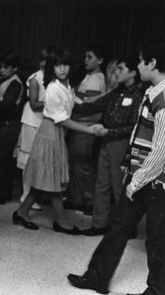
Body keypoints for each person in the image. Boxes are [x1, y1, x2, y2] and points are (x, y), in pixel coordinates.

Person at [68, 40, 165, 295]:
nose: (137, 66)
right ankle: (97, 277)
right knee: (118, 225)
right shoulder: (151, 91)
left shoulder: (164, 96)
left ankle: (157, 290)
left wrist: (137, 180)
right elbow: (139, 136)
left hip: (155, 182)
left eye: (142, 60)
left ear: (153, 63)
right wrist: (130, 168)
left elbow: (162, 150)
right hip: (141, 177)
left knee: (157, 240)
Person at [13, 48, 103, 235]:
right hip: (50, 133)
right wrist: (89, 129)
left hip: (56, 134)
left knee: (46, 178)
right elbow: (61, 119)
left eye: (66, 64)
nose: (62, 69)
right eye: (58, 65)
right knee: (51, 179)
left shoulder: (67, 86)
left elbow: (79, 103)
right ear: (52, 67)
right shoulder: (53, 87)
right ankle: (61, 221)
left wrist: (106, 96)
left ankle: (21, 212)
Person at [73, 55, 143, 236]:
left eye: (121, 69)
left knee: (119, 185)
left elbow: (134, 126)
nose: (116, 72)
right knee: (102, 183)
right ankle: (100, 223)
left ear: (133, 73)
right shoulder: (117, 91)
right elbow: (95, 106)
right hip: (106, 140)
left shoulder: (138, 95)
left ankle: (126, 227)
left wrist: (109, 132)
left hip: (121, 142)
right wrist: (68, 104)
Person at [66, 43, 108, 214]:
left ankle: (89, 201)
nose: (85, 60)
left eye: (89, 57)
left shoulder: (96, 79)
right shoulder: (89, 76)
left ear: (100, 60)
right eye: (85, 56)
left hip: (86, 126)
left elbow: (88, 107)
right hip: (80, 125)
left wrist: (72, 101)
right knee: (76, 163)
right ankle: (77, 199)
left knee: (83, 165)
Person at [16, 48, 54, 210]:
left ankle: (34, 194)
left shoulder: (52, 79)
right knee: (28, 158)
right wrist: (54, 104)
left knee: (39, 159)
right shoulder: (35, 78)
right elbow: (33, 104)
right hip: (31, 121)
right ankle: (26, 194)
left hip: (44, 122)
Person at [0, 51, 24, 205]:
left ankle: (1, 193)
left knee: (0, 158)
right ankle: (1, 191)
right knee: (0, 158)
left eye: (6, 67)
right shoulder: (4, 80)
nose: (2, 70)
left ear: (14, 69)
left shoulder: (15, 83)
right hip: (3, 124)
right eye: (1, 66)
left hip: (9, 125)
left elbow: (6, 106)